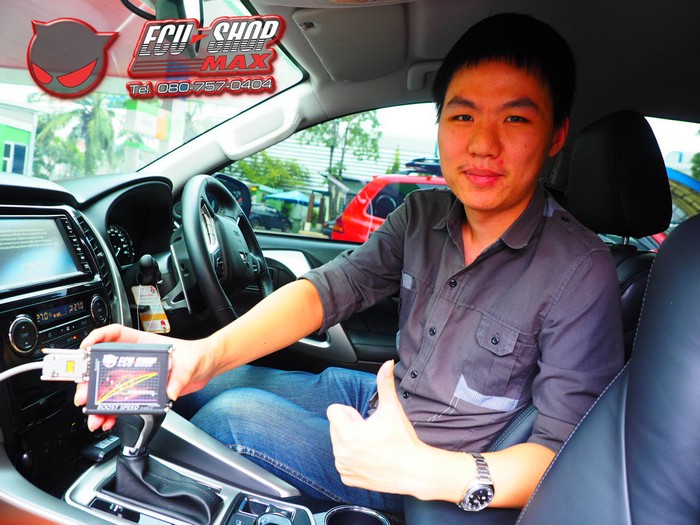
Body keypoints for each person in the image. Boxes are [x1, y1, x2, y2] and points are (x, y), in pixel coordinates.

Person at [76, 12, 623, 515]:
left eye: (516, 118)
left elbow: (567, 450)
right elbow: (330, 288)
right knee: (209, 383)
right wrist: (202, 353)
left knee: (229, 418)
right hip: (381, 398)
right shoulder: (423, 214)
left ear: (556, 135)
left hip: (434, 459)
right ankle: (89, 427)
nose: (483, 143)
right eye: (463, 115)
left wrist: (425, 471)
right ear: (440, 123)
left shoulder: (580, 270)